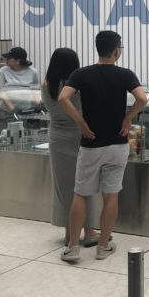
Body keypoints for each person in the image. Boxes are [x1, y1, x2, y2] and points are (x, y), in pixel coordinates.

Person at [58, 31, 147, 262]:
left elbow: (63, 98)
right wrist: (128, 118)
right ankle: (103, 246)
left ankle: (73, 247)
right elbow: (142, 98)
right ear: (117, 50)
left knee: (81, 194)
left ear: (98, 48)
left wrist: (81, 122)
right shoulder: (125, 74)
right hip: (118, 144)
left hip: (91, 144)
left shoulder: (81, 74)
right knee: (111, 195)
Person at [41, 48, 99, 247]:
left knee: (64, 187)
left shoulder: (46, 84)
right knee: (86, 183)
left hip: (57, 137)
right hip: (80, 135)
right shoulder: (77, 87)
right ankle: (89, 232)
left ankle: (69, 233)